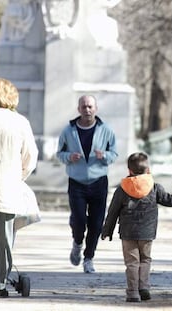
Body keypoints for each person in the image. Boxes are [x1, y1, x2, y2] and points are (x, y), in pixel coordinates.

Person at [101, 152, 172, 302]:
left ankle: (133, 293)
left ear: (129, 170)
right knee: (145, 260)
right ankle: (144, 287)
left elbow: (113, 211)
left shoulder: (122, 189)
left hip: (128, 233)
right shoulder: (154, 187)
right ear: (148, 170)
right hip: (147, 233)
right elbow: (171, 201)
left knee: (132, 263)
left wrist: (107, 230)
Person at [0, 78, 38, 300]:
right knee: (4, 237)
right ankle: (1, 282)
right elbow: (30, 158)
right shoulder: (20, 122)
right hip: (9, 187)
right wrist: (18, 176)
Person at [56, 94, 118, 273]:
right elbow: (59, 153)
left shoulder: (105, 129)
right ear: (79, 109)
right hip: (76, 182)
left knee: (97, 223)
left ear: (96, 109)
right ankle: (77, 243)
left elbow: (114, 153)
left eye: (90, 106)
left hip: (99, 181)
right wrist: (69, 157)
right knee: (79, 220)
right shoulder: (69, 130)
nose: (87, 110)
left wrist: (104, 155)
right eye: (84, 107)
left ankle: (89, 258)